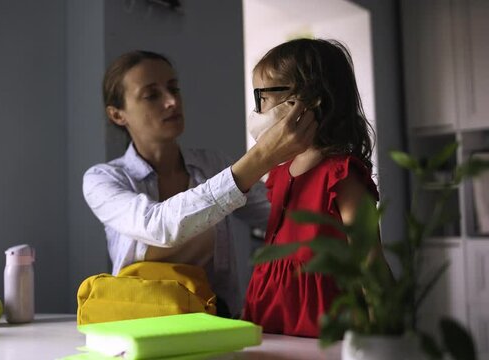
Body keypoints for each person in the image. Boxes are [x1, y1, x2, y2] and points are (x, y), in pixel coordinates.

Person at [82, 50, 317, 317]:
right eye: (151, 95)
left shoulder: (213, 164)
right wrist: (261, 157)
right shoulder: (102, 179)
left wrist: (319, 168)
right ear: (117, 115)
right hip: (138, 325)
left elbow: (282, 214)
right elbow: (158, 226)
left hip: (215, 321)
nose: (171, 101)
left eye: (174, 88)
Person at [242, 38, 380, 336]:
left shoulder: (342, 176)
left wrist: (384, 336)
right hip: (271, 316)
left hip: (326, 323)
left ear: (306, 100)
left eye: (262, 97)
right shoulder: (277, 175)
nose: (258, 110)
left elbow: (371, 264)